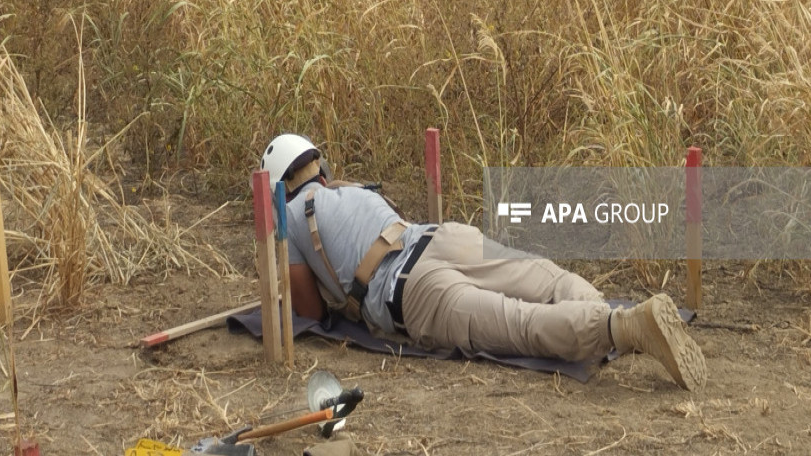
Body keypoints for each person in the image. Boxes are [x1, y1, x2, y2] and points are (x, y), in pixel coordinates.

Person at [260, 134, 708, 391]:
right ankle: (613, 314)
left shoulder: (291, 216)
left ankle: (623, 329)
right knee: (543, 276)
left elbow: (310, 314)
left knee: (522, 324)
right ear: (317, 166)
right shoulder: (349, 189)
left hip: (413, 293)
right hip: (443, 238)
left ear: (279, 182)